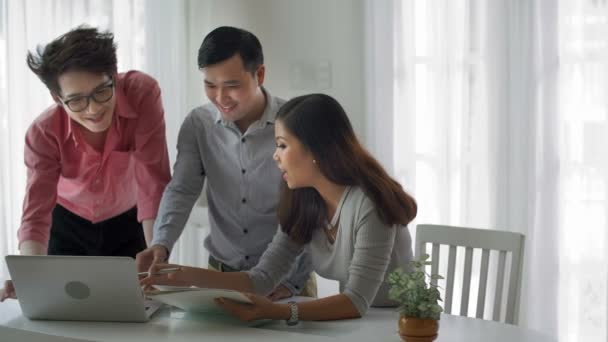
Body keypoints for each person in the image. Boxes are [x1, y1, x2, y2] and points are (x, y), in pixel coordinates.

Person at [141, 93, 417, 323]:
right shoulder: (305, 201)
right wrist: (181, 276)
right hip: (353, 323)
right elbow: (261, 279)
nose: (275, 156)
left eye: (282, 146)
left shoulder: (368, 204)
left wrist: (281, 312)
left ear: (316, 151)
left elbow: (356, 301)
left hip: (402, 323)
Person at [135, 26, 315, 300]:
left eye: (232, 86)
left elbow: (311, 205)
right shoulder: (198, 124)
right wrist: (162, 243)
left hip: (287, 281)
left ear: (260, 75)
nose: (220, 98)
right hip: (220, 276)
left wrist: (292, 282)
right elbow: (182, 189)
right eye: (210, 85)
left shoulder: (295, 122)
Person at [0, 26, 171, 301]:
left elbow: (153, 179)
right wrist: (28, 275)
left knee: (137, 308)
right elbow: (36, 210)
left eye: (102, 91)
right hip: (67, 224)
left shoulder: (142, 93)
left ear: (114, 77)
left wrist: (158, 251)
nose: (93, 109)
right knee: (62, 310)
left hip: (129, 221)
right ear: (58, 99)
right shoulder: (43, 133)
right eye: (76, 101)